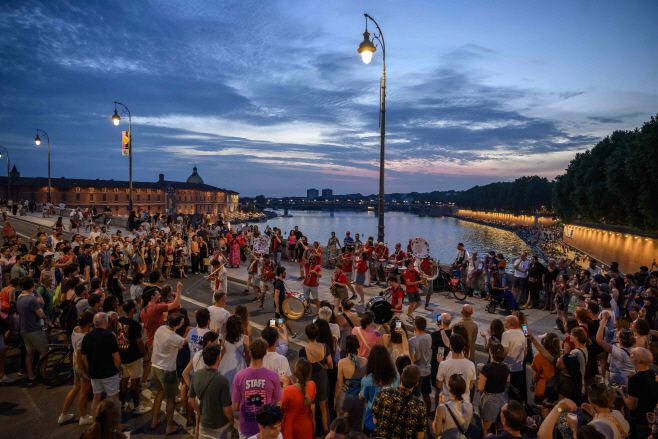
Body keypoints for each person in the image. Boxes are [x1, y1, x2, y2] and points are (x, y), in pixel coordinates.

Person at [232, 338, 282, 438]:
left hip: (246, 429)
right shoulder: (273, 376)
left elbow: (235, 407)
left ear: (250, 353)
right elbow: (278, 404)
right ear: (265, 354)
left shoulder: (239, 376)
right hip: (267, 430)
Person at [150, 312, 186, 436]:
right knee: (171, 399)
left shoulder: (160, 329)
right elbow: (183, 343)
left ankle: (154, 421)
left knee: (159, 393)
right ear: (178, 324)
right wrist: (188, 333)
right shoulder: (175, 338)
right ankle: (169, 426)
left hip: (155, 366)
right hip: (167, 371)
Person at [188, 345, 235, 439]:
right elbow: (226, 409)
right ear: (218, 358)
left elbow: (191, 399)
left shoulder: (196, 375)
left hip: (203, 424)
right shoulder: (222, 380)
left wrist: (199, 412)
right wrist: (231, 420)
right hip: (220, 425)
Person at [81, 312, 121, 417]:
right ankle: (113, 422)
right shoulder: (110, 336)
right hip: (109, 373)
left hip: (94, 373)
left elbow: (84, 358)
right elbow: (116, 357)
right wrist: (118, 369)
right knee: (113, 398)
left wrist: (89, 370)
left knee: (96, 397)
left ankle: (95, 420)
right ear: (105, 322)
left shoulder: (87, 336)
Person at [58, 310, 94, 426]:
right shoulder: (84, 337)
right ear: (89, 323)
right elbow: (80, 356)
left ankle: (63, 414)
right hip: (81, 364)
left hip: (75, 362)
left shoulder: (76, 329)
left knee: (75, 387)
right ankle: (83, 416)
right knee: (84, 392)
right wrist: (84, 372)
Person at [372, 365, 427, 439]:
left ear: (401, 377)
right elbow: (420, 434)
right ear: (417, 383)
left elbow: (375, 421)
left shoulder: (384, 393)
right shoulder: (419, 405)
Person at [116, 300, 149, 415]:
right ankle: (137, 406)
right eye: (135, 307)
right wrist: (145, 354)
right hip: (134, 357)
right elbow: (139, 341)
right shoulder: (134, 324)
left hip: (122, 355)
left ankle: (122, 403)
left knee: (124, 381)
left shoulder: (118, 321)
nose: (136, 308)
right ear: (131, 310)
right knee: (135, 383)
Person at [359, 345, 400, 435]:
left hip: (371, 417)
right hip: (391, 416)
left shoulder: (366, 380)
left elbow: (363, 397)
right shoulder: (396, 376)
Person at [15, 276, 48, 384]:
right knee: (44, 351)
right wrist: (46, 319)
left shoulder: (20, 297)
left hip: (24, 329)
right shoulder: (31, 299)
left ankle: (31, 376)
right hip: (34, 330)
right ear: (32, 285)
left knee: (29, 353)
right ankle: (42, 375)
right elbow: (41, 314)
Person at [303, 322, 333, 434]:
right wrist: (324, 366)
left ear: (307, 335)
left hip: (310, 380)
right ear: (317, 334)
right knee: (323, 408)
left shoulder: (303, 350)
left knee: (312, 411)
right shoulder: (325, 347)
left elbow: (302, 369)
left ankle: (313, 433)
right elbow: (331, 365)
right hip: (322, 378)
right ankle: (325, 430)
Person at [624, 347, 657, 439]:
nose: (630, 356)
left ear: (638, 360)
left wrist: (621, 393)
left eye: (632, 355)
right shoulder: (652, 373)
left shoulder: (635, 379)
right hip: (652, 418)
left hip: (640, 420)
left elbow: (631, 406)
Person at [478, 341, 510, 433]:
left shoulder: (487, 368)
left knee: (486, 428)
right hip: (503, 399)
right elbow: (508, 383)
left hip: (489, 400)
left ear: (491, 353)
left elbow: (480, 387)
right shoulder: (506, 368)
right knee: (500, 426)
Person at [281, 358, 316, 439]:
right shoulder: (312, 385)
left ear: (295, 371)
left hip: (291, 426)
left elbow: (280, 406)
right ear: (309, 373)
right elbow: (301, 390)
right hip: (306, 425)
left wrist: (285, 385)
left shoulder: (288, 390)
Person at [436, 334, 476, 402]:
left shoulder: (443, 364)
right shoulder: (471, 364)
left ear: (451, 347)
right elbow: (471, 386)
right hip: (465, 402)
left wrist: (440, 362)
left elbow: (439, 385)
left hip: (448, 401)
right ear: (463, 347)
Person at [432, 373, 474, 439]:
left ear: (449, 388)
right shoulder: (470, 406)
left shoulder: (442, 408)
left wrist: (439, 405)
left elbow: (436, 431)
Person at [409, 316, 432, 416]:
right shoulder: (429, 336)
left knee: (415, 396)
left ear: (415, 326)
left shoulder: (412, 340)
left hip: (417, 372)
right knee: (426, 394)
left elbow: (414, 358)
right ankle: (427, 413)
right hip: (427, 370)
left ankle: (415, 415)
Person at [501, 315, 527, 403]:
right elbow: (526, 348)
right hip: (520, 363)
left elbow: (505, 351)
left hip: (509, 365)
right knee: (518, 386)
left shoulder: (507, 333)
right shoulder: (524, 329)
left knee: (508, 389)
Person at [219, 314, 249, 384]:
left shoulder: (224, 337)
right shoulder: (245, 338)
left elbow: (222, 352)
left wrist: (219, 363)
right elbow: (247, 354)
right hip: (240, 362)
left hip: (225, 362)